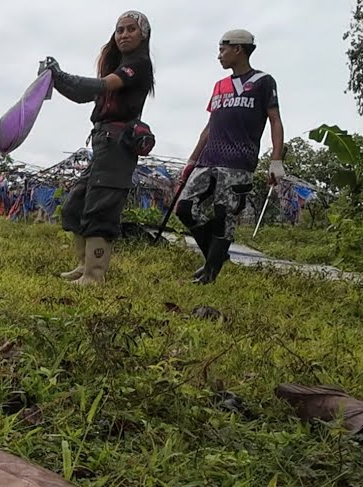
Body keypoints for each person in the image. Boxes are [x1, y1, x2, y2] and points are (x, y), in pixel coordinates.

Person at [41, 10, 155, 285]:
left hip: (118, 144)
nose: (124, 34)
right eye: (120, 30)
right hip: (102, 142)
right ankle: (84, 266)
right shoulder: (118, 66)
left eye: (131, 29)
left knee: (101, 208)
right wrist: (57, 79)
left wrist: (61, 76)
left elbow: (101, 86)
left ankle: (95, 275)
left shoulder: (138, 66)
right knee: (75, 205)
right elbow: (86, 93)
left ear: (144, 34)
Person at [178, 29, 284, 285]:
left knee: (224, 215)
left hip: (238, 162)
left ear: (238, 49)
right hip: (208, 159)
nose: (219, 56)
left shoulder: (263, 81)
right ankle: (216, 257)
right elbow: (209, 126)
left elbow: (275, 121)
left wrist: (276, 161)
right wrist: (192, 161)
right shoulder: (220, 86)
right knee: (185, 208)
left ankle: (210, 276)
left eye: (222, 49)